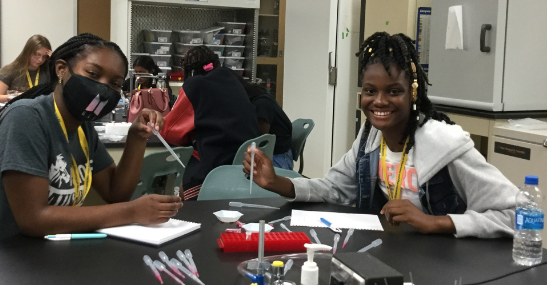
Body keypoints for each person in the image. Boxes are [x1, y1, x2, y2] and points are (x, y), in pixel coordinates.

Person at [243, 32, 519, 238]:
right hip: (393, 256)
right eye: (370, 91)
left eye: (394, 91)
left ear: (412, 93)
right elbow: (336, 189)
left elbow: (517, 214)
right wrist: (278, 182)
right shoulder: (370, 138)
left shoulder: (444, 143)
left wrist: (437, 222)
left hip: (446, 266)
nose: (379, 101)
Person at [0, 33, 182, 244]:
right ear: (61, 69)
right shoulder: (26, 117)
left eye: (115, 84)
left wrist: (136, 137)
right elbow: (34, 219)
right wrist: (132, 212)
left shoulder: (83, 126)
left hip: (57, 253)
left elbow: (115, 192)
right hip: (11, 261)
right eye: (92, 74)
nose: (103, 88)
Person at [160, 46, 260, 200]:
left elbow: (169, 132)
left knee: (180, 180)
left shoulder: (195, 85)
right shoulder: (231, 77)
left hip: (213, 168)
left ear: (188, 70)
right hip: (244, 165)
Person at [232, 71, 293, 170]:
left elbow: (259, 139)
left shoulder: (261, 104)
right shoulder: (256, 97)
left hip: (277, 158)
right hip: (276, 154)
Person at [0, 35, 52, 103]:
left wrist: (54, 60)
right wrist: (18, 96)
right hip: (18, 109)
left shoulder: (49, 71)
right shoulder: (11, 70)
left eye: (44, 56)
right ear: (28, 52)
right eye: (37, 54)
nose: (40, 60)